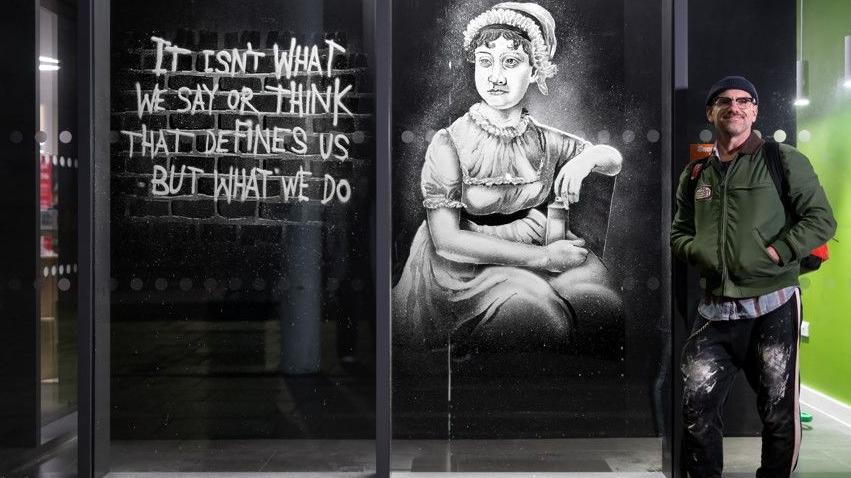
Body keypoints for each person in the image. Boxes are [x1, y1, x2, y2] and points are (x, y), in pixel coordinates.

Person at [392, 2, 624, 360]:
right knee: (540, 319)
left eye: (510, 62)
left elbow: (613, 161)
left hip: (538, 242)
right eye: (485, 61)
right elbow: (447, 240)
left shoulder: (546, 140)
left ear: (536, 70)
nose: (495, 76)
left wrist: (586, 160)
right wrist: (544, 256)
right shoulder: (450, 142)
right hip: (463, 267)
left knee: (602, 307)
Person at [671, 75, 836, 478]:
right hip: (714, 311)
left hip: (773, 306)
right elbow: (679, 233)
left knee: (779, 415)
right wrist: (702, 252)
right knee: (696, 409)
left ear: (755, 110)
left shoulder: (782, 159)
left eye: (745, 101)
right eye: (724, 101)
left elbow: (821, 220)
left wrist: (778, 251)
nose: (735, 107)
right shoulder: (696, 175)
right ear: (711, 112)